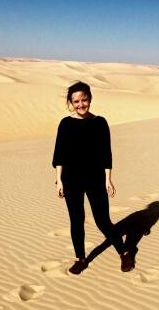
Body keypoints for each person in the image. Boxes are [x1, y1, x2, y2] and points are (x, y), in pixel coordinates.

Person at [52, 81, 134, 274]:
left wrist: (108, 179)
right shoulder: (65, 124)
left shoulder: (100, 123)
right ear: (70, 103)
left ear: (90, 99)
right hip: (71, 180)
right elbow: (59, 155)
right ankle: (80, 258)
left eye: (84, 100)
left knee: (102, 220)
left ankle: (124, 252)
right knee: (76, 220)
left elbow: (106, 153)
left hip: (95, 178)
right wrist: (59, 180)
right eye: (76, 101)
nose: (80, 104)